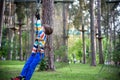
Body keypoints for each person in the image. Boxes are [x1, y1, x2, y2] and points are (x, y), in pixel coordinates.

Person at [11, 13, 53, 80]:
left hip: (39, 54)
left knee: (31, 67)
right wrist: (37, 20)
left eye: (42, 27)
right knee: (27, 64)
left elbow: (39, 29)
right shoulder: (40, 33)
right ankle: (21, 76)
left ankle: (26, 79)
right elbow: (37, 28)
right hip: (34, 53)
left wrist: (39, 19)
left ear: (45, 30)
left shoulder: (43, 35)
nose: (41, 27)